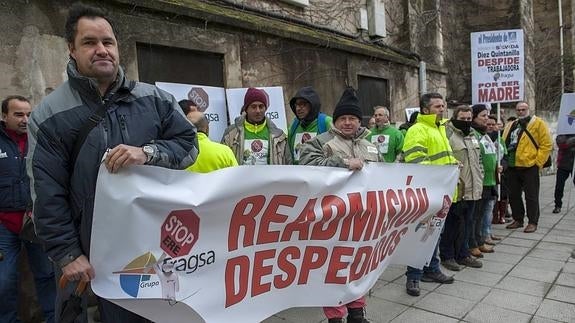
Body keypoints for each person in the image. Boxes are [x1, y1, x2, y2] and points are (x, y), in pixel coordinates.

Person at [27, 4, 199, 322]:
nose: (102, 50)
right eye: (90, 42)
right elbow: (46, 193)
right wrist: (67, 254)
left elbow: (188, 147)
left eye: (108, 42)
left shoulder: (156, 100)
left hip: (152, 250)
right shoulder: (48, 115)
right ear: (72, 49)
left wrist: (147, 152)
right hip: (86, 258)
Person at [299, 87, 376, 323]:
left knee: (359, 264)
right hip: (332, 217)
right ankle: (334, 316)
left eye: (352, 118)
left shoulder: (369, 144)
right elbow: (306, 164)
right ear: (336, 120)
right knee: (330, 267)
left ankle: (357, 311)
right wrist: (342, 162)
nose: (347, 122)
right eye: (343, 118)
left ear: (359, 120)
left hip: (362, 217)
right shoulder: (321, 141)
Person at [1, 95, 56, 323]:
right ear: (4, 116)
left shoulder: (40, 139)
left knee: (47, 275)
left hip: (36, 222)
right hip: (4, 226)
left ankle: (55, 319)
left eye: (29, 114)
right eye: (18, 114)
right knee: (4, 281)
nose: (25, 119)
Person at [401, 93, 457, 297]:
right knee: (421, 237)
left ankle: (431, 269)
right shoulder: (418, 130)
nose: (442, 109)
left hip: (441, 192)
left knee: (434, 233)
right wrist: (442, 174)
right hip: (427, 193)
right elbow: (416, 162)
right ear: (425, 110)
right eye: (437, 107)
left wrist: (451, 167)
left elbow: (441, 159)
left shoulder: (440, 128)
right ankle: (413, 277)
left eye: (443, 105)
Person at [440, 105, 483, 271]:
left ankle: (463, 254)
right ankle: (447, 255)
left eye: (468, 119)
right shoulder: (447, 134)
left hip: (472, 188)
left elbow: (477, 161)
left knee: (467, 224)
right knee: (452, 224)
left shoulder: (472, 135)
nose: (465, 121)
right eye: (462, 118)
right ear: (454, 117)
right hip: (456, 189)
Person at [503, 101, 552, 233]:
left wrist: (538, 163)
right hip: (512, 165)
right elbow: (504, 141)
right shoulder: (511, 124)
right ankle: (518, 219)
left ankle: (532, 221)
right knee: (513, 195)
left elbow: (546, 144)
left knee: (531, 195)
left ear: (528, 110)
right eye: (518, 109)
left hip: (530, 165)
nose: (520, 112)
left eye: (523, 109)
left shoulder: (538, 123)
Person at [222, 87, 292, 165]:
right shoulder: (230, 134)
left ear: (265, 108)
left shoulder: (279, 136)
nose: (258, 111)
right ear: (246, 109)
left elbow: (288, 165)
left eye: (261, 106)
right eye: (253, 107)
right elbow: (222, 163)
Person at [470, 105, 498, 251]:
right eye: (483, 115)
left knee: (482, 215)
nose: (486, 118)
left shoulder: (484, 134)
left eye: (487, 115)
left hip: (490, 180)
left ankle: (480, 241)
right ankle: (474, 243)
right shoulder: (473, 134)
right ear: (474, 117)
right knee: (476, 216)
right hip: (480, 181)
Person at [287, 86, 332, 164]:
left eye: (302, 104)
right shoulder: (294, 125)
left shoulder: (326, 122)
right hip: (297, 175)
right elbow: (289, 155)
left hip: (320, 174)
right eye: (296, 105)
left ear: (312, 105)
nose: (298, 108)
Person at [552, 134, 575, 213]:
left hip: (574, 164)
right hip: (563, 164)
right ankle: (558, 205)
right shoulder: (563, 131)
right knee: (559, 186)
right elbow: (561, 144)